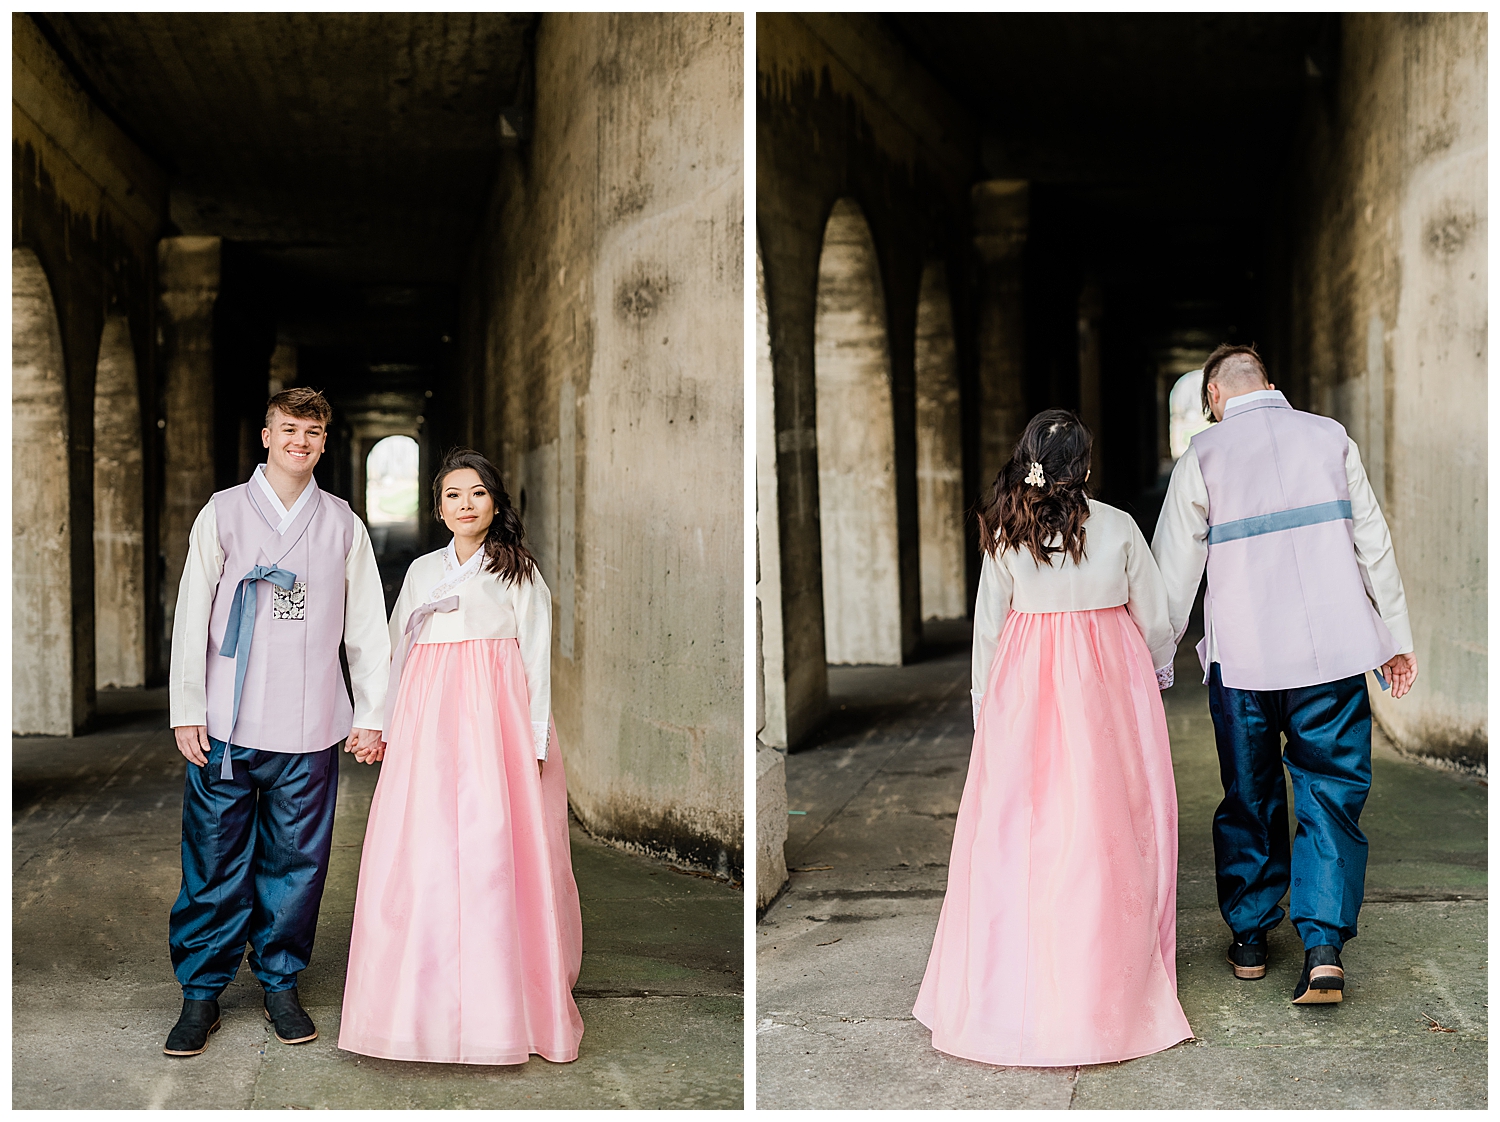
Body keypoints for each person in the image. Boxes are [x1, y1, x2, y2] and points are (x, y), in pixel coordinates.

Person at [914, 410, 1192, 1067]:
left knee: (1021, 831)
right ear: (1086, 469)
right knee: (1110, 823)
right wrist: (1154, 671)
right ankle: (1105, 971)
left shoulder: (1007, 532)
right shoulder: (1119, 526)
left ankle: (1017, 973)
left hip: (1027, 690)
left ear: (1030, 461)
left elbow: (989, 630)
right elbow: (1153, 620)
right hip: (1108, 690)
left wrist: (987, 708)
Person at [1151, 343, 1416, 1005]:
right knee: (1330, 793)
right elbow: (1373, 543)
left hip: (1243, 663)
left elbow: (1171, 578)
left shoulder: (1203, 457)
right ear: (1271, 383)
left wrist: (1154, 663)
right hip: (1330, 657)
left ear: (1214, 397)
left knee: (1250, 791)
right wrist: (1395, 640)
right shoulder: (1329, 437)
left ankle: (1249, 937)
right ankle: (1323, 947)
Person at [164, 387, 391, 1057]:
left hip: (311, 722)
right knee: (212, 860)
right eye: (288, 428)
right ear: (266, 435)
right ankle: (200, 993)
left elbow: (368, 627)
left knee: (297, 863)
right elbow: (190, 612)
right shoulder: (224, 513)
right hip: (227, 725)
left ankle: (281, 983)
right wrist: (186, 707)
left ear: (324, 442)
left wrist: (372, 713)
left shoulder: (342, 522)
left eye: (312, 431)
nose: (300, 440)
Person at [338, 448, 584, 1066]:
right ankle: (419, 1005)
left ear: (495, 503)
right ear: (439, 507)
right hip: (429, 723)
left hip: (494, 725)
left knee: (495, 854)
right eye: (452, 495)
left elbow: (534, 661)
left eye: (476, 493)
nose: (465, 504)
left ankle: (502, 1009)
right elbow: (397, 647)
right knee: (424, 852)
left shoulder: (521, 572)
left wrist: (532, 741)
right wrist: (378, 723)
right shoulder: (422, 571)